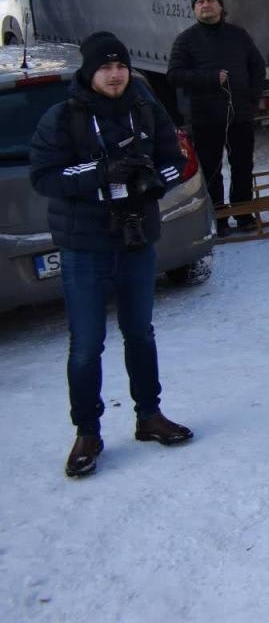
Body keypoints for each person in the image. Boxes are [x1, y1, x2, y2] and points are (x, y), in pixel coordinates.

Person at [30, 32, 192, 478]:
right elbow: (45, 175)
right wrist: (102, 173)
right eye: (105, 67)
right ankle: (87, 431)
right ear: (89, 71)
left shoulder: (146, 108)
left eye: (120, 65)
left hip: (135, 239)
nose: (115, 73)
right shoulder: (63, 117)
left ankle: (149, 416)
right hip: (85, 245)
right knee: (86, 344)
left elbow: (175, 157)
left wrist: (156, 180)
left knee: (140, 332)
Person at [167, 0, 266, 232]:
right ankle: (219, 218)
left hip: (240, 114)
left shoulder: (238, 35)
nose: (205, 5)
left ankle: (243, 214)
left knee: (242, 165)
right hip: (206, 117)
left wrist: (253, 98)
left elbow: (257, 67)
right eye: (200, 3)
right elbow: (175, 75)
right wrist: (209, 77)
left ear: (220, 6)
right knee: (211, 169)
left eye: (210, 1)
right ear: (194, 10)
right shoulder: (186, 40)